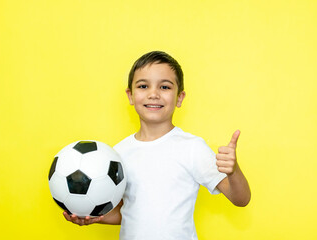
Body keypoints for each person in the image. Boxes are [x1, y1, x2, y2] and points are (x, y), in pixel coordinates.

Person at [63, 51, 251, 239]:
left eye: (165, 87)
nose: (153, 94)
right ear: (130, 95)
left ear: (179, 98)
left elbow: (241, 199)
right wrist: (90, 214)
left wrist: (233, 172)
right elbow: (128, 213)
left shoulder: (192, 148)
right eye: (143, 86)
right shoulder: (117, 154)